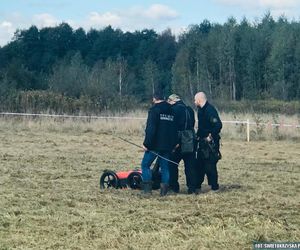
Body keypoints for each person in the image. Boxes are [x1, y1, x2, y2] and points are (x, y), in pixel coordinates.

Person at [141, 92, 178, 196]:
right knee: (165, 167)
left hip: (154, 145)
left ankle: (147, 191)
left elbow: (151, 129)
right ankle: (163, 192)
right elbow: (175, 129)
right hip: (167, 145)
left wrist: (146, 144)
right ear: (164, 98)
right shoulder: (172, 110)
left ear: (154, 99)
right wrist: (174, 143)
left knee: (145, 165)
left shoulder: (154, 110)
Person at [167, 94, 197, 194]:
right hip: (190, 138)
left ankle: (174, 187)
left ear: (172, 101)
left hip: (178, 139)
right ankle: (192, 188)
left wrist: (174, 142)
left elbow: (172, 127)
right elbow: (192, 124)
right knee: (190, 165)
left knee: (172, 164)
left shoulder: (173, 110)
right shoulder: (189, 109)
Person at [194, 92, 222, 191]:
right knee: (200, 164)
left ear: (199, 100)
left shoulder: (210, 110)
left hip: (210, 143)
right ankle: (197, 186)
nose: (194, 102)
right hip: (202, 142)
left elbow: (218, 125)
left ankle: (214, 187)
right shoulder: (201, 111)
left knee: (210, 165)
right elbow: (202, 127)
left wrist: (211, 136)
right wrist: (197, 136)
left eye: (195, 100)